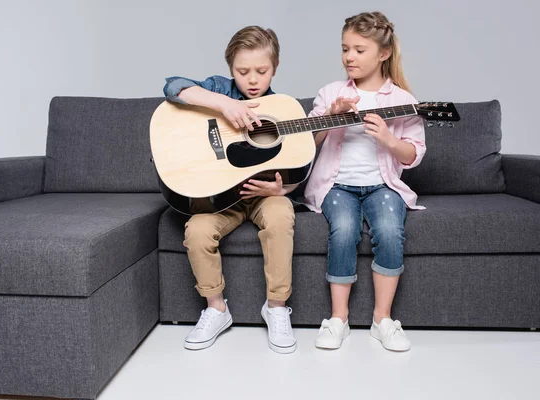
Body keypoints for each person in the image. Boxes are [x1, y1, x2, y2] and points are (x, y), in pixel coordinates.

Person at [162, 26, 298, 354]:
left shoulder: (284, 110)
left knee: (281, 217)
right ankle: (216, 309)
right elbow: (173, 86)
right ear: (230, 70)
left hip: (263, 197)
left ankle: (276, 308)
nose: (252, 79)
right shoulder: (219, 90)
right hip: (220, 200)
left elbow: (298, 170)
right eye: (242, 71)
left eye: (262, 71)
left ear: (275, 69)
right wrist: (223, 104)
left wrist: (282, 188)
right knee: (196, 230)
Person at [303, 11, 426, 352]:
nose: (349, 57)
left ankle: (382, 319)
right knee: (343, 228)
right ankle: (338, 319)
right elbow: (305, 145)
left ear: (383, 53)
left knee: (389, 229)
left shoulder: (403, 101)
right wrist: (332, 116)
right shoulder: (329, 92)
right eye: (345, 49)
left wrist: (388, 140)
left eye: (359, 50)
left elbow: (413, 154)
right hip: (337, 185)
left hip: (382, 185)